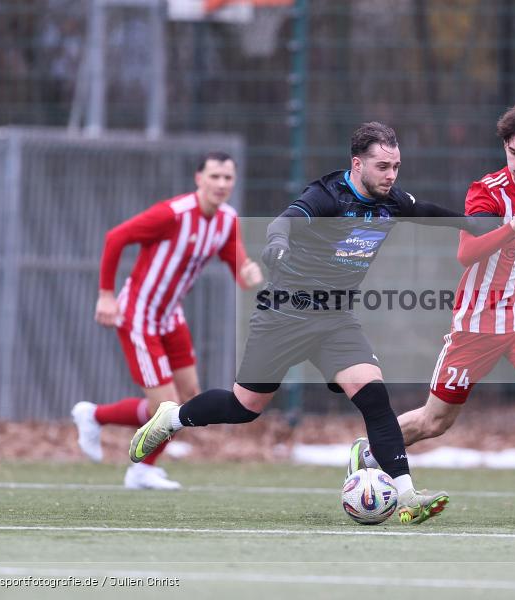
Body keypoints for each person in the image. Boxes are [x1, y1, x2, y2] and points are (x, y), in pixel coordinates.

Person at [128, 122, 496, 523]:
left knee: (374, 396)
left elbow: (423, 210)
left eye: (396, 166)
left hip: (335, 318)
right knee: (244, 406)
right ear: (357, 164)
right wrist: (277, 243)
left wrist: (469, 223)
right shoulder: (326, 195)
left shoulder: (391, 200)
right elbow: (286, 220)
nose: (391, 175)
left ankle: (406, 494)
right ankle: (173, 418)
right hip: (285, 315)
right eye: (382, 166)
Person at [347, 104, 515, 524]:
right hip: (476, 324)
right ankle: (370, 451)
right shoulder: (486, 194)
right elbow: (466, 253)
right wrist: (512, 227)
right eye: (513, 153)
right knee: (435, 422)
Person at [71, 151, 263, 490]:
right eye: (214, 176)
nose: (221, 184)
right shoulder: (173, 215)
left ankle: (96, 417)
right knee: (166, 406)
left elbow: (240, 272)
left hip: (171, 318)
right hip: (139, 316)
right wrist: (105, 294)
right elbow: (116, 237)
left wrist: (250, 273)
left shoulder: (227, 220)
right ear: (198, 178)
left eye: (227, 178)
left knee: (190, 398)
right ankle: (138, 467)